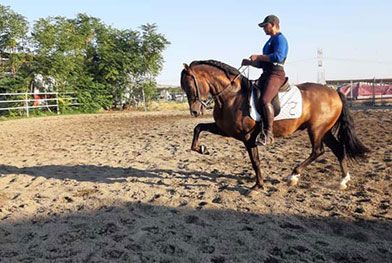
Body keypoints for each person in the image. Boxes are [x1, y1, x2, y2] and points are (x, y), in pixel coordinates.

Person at [242, 15, 288, 145]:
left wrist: (259, 56)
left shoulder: (280, 39)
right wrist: (250, 63)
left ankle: (268, 134)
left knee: (265, 100)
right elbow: (263, 63)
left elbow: (278, 57)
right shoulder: (270, 41)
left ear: (272, 24)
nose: (263, 29)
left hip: (276, 74)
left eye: (265, 26)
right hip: (266, 73)